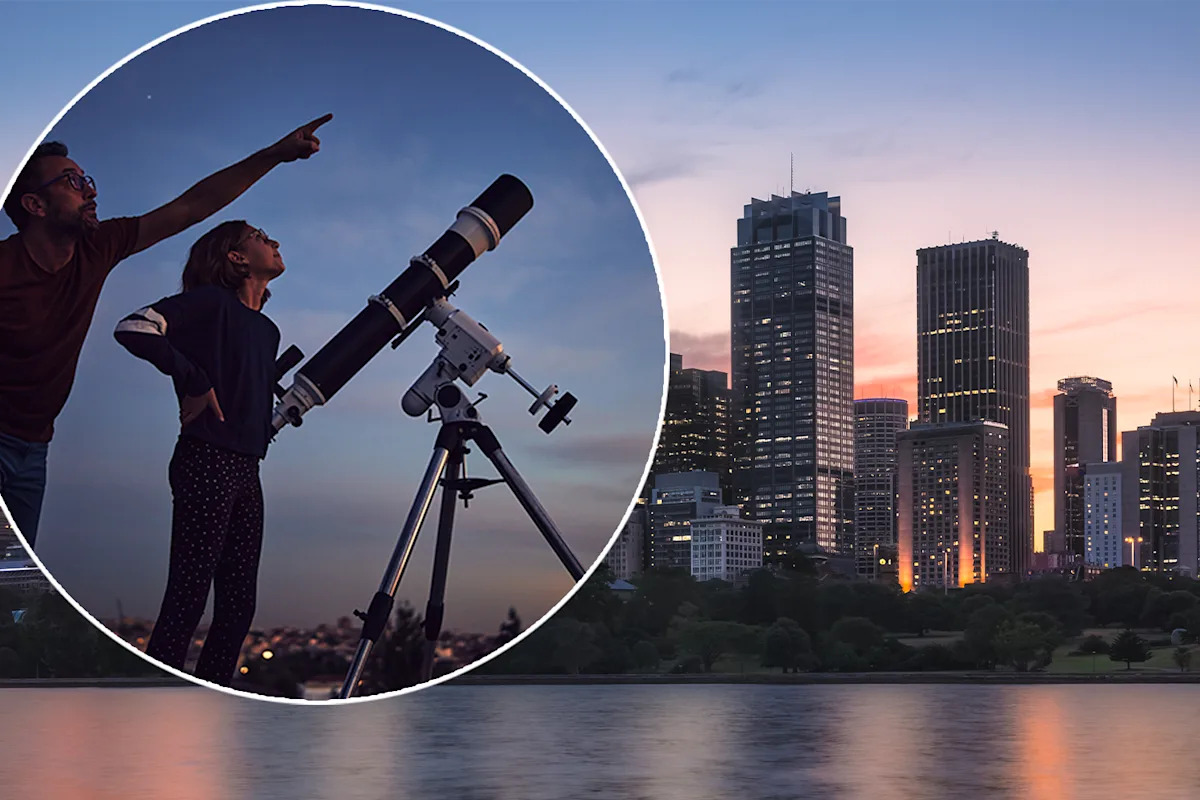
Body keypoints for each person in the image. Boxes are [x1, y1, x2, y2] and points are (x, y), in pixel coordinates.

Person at [0, 113, 332, 547]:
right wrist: (192, 377)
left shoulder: (97, 247)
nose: (91, 190)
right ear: (34, 205)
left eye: (87, 179)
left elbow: (192, 207)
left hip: (34, 448)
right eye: (72, 182)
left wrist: (274, 155)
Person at [114, 220, 285, 686]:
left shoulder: (268, 330)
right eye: (261, 236)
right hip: (206, 460)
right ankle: (162, 695)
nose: (274, 242)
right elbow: (134, 327)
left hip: (248, 468)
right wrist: (193, 378)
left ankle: (211, 694)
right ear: (236, 257)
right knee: (188, 594)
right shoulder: (211, 303)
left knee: (237, 605)